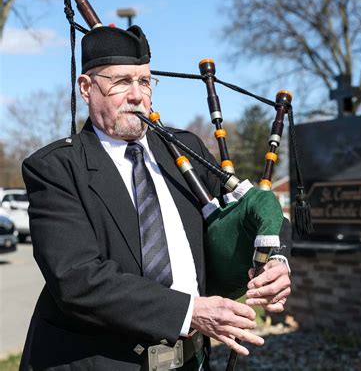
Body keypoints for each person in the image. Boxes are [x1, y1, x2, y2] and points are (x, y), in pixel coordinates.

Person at [20, 25, 291, 370]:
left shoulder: (184, 149)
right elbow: (77, 279)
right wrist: (190, 311)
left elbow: (253, 210)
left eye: (145, 82)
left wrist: (277, 261)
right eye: (121, 82)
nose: (137, 96)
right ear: (87, 88)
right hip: (97, 362)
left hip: (190, 361)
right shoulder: (56, 168)